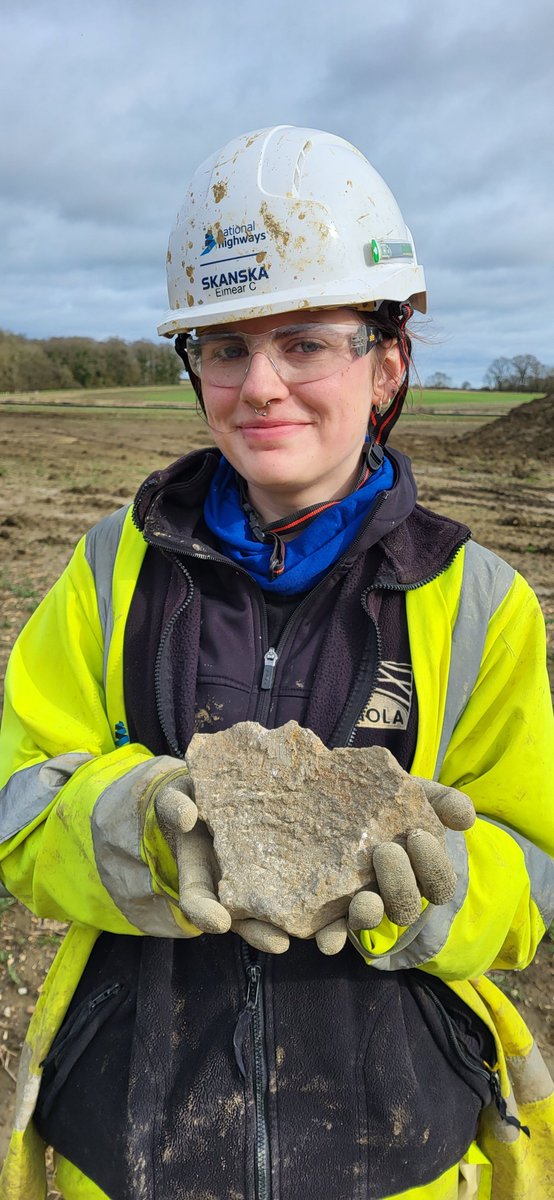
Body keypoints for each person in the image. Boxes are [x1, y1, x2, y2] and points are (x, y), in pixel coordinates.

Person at [0, 125, 552, 1200]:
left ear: (387, 361)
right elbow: (17, 808)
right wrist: (141, 824)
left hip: (393, 1151)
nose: (259, 386)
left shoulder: (478, 601)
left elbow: (533, 865)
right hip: (130, 1144)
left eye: (305, 341)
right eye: (222, 346)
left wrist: (426, 893)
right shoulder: (111, 569)